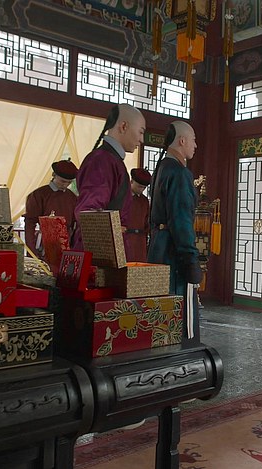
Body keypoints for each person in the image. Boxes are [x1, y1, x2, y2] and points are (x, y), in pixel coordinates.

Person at [148, 121, 203, 344]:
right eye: (193, 140)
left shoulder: (162, 168)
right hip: (173, 252)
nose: (195, 146)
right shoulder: (179, 173)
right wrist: (191, 260)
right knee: (179, 316)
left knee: (160, 310)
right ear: (182, 141)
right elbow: (181, 221)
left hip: (157, 248)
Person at [71, 104, 146, 251]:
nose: (141, 139)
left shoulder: (111, 159)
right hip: (100, 252)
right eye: (140, 132)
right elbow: (90, 215)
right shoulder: (102, 160)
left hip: (110, 246)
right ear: (123, 126)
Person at [24, 159, 78, 258]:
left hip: (66, 245)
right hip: (43, 246)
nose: (65, 185)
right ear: (54, 175)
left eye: (69, 182)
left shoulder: (72, 197)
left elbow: (75, 224)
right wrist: (31, 250)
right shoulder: (39, 195)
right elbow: (30, 223)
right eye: (62, 181)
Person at [127, 167, 152, 262]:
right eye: (139, 186)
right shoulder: (122, 198)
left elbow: (146, 221)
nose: (141, 190)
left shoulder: (144, 201)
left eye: (144, 188)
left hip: (140, 241)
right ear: (131, 181)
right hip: (126, 239)